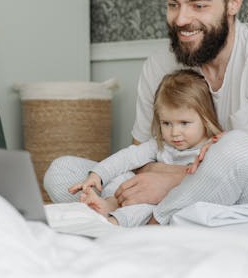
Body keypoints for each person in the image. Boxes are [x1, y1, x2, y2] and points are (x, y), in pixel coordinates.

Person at [45, 0, 248, 225]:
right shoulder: (160, 64)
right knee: (63, 173)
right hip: (185, 199)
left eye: (198, 5)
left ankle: (149, 225)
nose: (181, 19)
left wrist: (171, 183)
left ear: (234, 2)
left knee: (237, 145)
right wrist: (152, 183)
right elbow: (143, 155)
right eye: (173, 5)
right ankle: (138, 220)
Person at [69, 69, 222, 226]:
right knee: (123, 173)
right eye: (166, 123)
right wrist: (97, 175)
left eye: (184, 123)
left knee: (145, 210)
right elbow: (127, 157)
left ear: (205, 119)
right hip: (135, 195)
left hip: (166, 207)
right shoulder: (160, 144)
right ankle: (108, 204)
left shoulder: (212, 149)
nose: (175, 133)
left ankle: (114, 222)